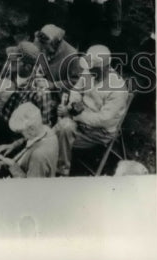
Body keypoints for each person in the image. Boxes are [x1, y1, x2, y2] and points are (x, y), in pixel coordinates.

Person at [55, 44, 130, 175]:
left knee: (60, 131)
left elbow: (103, 120)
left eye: (92, 68)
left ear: (104, 67)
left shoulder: (117, 89)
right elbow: (76, 90)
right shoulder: (89, 71)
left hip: (99, 131)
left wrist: (74, 115)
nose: (88, 71)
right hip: (81, 117)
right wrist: (73, 105)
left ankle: (61, 169)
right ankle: (55, 158)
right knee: (55, 132)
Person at [0, 102, 59, 178]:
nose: (21, 134)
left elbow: (30, 187)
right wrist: (13, 145)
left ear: (32, 129)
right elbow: (29, 139)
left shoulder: (38, 156)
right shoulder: (46, 130)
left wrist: (12, 166)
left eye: (21, 131)